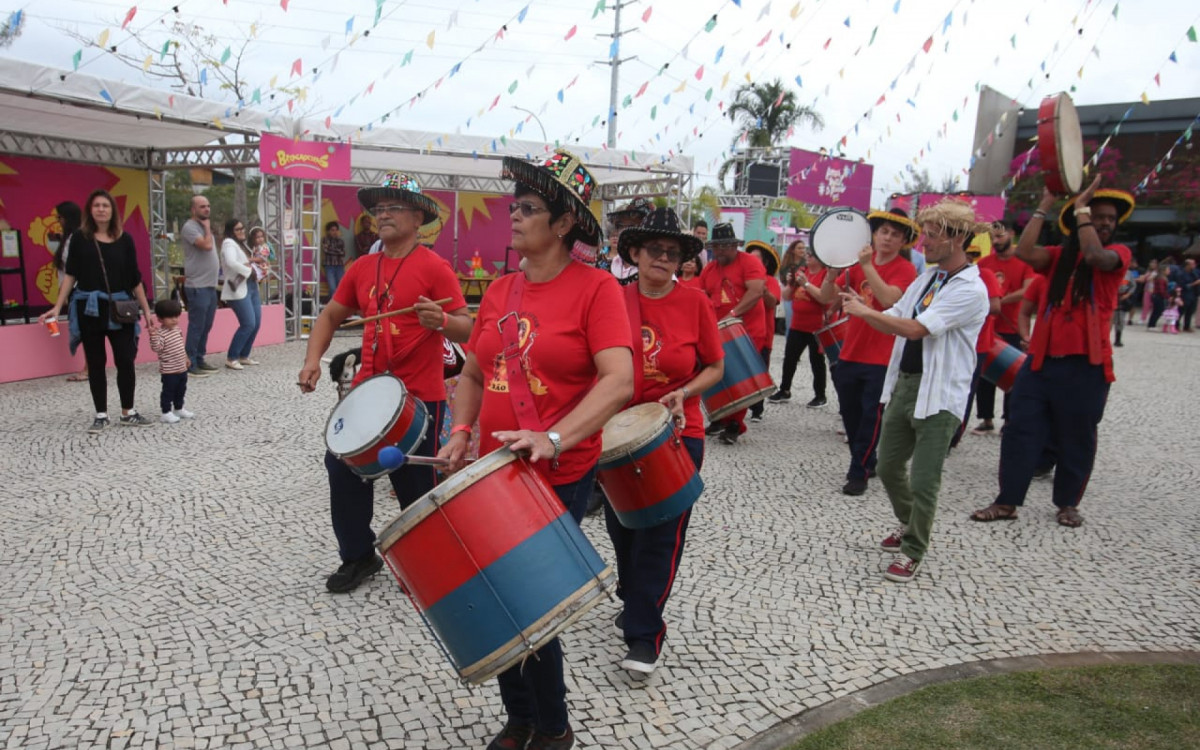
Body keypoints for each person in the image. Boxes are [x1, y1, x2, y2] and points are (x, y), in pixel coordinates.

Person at [438, 149, 633, 750]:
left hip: (560, 471)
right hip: (491, 469)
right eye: (513, 206)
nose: (513, 217)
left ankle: (551, 726)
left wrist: (553, 438)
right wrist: (461, 432)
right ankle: (520, 717)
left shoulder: (597, 289)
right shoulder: (499, 290)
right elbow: (472, 372)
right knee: (499, 599)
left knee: (530, 602)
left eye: (528, 208)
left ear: (564, 222)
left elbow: (619, 380)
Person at [297, 172, 472, 593]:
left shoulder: (435, 267)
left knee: (414, 485)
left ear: (417, 217)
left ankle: (426, 562)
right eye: (380, 209)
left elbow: (467, 328)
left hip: (419, 399)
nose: (384, 215)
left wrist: (443, 321)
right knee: (342, 467)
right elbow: (330, 316)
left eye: (394, 208)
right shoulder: (362, 266)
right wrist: (312, 361)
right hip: (369, 393)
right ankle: (358, 556)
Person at [970, 180, 1134, 529]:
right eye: (1097, 217)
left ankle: (1068, 504)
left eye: (1109, 219)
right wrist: (1045, 204)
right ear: (1075, 224)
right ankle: (1007, 501)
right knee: (1019, 431)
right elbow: (1024, 251)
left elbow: (1093, 256)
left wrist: (1083, 210)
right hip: (1040, 365)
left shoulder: (1117, 255)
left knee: (1077, 436)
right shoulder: (1057, 258)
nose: (1105, 223)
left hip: (1087, 368)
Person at [841, 199, 988, 582]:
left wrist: (866, 314)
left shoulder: (971, 289)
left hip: (940, 393)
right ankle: (911, 522)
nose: (923, 243)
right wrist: (864, 306)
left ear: (956, 239)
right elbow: (895, 316)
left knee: (924, 478)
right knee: (888, 467)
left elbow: (918, 328)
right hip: (906, 385)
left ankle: (914, 549)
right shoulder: (928, 279)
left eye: (933, 236)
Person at [605, 206, 723, 676]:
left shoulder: (696, 303)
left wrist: (684, 393)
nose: (664, 258)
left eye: (673, 252)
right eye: (655, 250)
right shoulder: (611, 298)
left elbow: (714, 366)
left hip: (676, 433)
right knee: (623, 530)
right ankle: (634, 599)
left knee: (660, 535)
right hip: (615, 437)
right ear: (634, 252)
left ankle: (644, 635)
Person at [810, 208, 919, 495]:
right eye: (884, 232)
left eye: (895, 235)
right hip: (850, 351)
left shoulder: (905, 270)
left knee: (872, 416)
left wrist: (868, 266)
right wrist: (832, 275)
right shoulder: (854, 266)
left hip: (882, 357)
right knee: (850, 414)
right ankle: (868, 460)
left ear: (903, 241)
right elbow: (826, 298)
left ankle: (857, 472)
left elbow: (888, 299)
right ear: (874, 233)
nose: (887, 238)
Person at [38, 189, 156, 432]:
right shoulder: (80, 239)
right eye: (97, 205)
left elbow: (135, 278)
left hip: (121, 307)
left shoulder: (125, 239)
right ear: (90, 211)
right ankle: (101, 414)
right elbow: (70, 275)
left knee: (125, 359)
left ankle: (128, 411)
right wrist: (58, 306)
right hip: (89, 308)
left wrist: (147, 312)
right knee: (96, 361)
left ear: (112, 211)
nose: (101, 209)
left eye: (106, 205)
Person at [697, 222, 767, 444]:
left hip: (746, 330)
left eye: (726, 246)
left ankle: (736, 423)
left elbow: (756, 291)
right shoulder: (709, 269)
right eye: (717, 247)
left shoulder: (750, 262)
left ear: (735, 245)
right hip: (718, 331)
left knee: (738, 376)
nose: (721, 251)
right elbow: (700, 295)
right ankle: (720, 416)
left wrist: (734, 313)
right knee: (716, 375)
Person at [971, 218, 1034, 435]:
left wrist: (998, 299)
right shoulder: (984, 263)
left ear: (1011, 235)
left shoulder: (1025, 262)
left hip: (1012, 326)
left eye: (1000, 236)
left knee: (1014, 374)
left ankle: (1009, 420)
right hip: (988, 327)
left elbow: (1028, 290)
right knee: (983, 376)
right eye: (992, 237)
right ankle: (986, 418)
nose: (995, 241)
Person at [949, 249, 1001, 449]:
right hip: (952, 342)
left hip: (976, 345)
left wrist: (965, 308)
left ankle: (954, 434)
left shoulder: (984, 275)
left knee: (965, 390)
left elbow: (995, 306)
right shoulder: (946, 275)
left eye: (969, 256)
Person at [771, 244, 829, 407]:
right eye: (808, 253)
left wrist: (806, 285)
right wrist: (791, 284)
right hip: (797, 323)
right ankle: (785, 390)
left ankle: (820, 395)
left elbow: (824, 298)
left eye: (813, 254)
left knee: (816, 361)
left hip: (816, 326)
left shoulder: (825, 274)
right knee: (790, 358)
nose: (808, 256)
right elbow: (787, 296)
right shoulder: (802, 272)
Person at [180, 196, 219, 378]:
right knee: (197, 325)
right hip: (197, 285)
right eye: (202, 206)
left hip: (209, 285)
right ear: (193, 209)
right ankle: (189, 361)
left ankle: (200, 357)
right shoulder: (190, 227)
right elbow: (206, 246)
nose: (206, 209)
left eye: (208, 206)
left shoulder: (203, 228)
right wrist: (208, 228)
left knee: (207, 324)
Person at [50, 201, 88, 383]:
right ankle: (90, 367)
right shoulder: (69, 237)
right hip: (72, 290)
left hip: (79, 290)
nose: (59, 221)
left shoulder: (77, 238)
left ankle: (89, 368)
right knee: (83, 329)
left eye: (60, 217)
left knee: (87, 330)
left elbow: (73, 270)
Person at [219, 219, 263, 370]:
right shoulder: (229, 243)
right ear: (231, 231)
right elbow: (231, 262)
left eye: (243, 228)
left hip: (251, 286)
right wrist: (248, 270)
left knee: (256, 323)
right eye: (238, 229)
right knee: (248, 323)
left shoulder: (241, 244)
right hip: (239, 287)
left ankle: (244, 355)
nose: (242, 231)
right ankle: (232, 357)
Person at [745, 240, 781, 423]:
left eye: (755, 258)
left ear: (764, 262)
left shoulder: (771, 281)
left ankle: (757, 408)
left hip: (763, 335)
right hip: (743, 333)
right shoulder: (744, 278)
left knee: (759, 372)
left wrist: (764, 291)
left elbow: (772, 303)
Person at [148, 298, 194, 423]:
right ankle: (166, 412)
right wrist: (153, 336)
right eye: (170, 317)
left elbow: (180, 345)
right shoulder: (161, 334)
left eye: (176, 316)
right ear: (160, 319)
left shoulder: (177, 330)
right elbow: (156, 348)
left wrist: (185, 357)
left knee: (181, 389)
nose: (174, 320)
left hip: (181, 368)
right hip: (169, 371)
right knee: (168, 391)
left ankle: (179, 408)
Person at [604, 197, 654, 285]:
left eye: (632, 225)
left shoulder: (656, 268)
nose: (625, 230)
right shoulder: (610, 263)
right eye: (620, 225)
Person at [778, 239, 807, 331]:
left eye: (803, 248)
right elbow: (782, 280)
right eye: (799, 248)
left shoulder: (807, 264)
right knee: (790, 323)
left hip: (803, 295)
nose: (802, 250)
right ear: (793, 250)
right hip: (790, 295)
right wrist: (787, 280)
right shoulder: (786, 265)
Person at [1172, 258, 1199, 332]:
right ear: (1187, 265)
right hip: (1185, 294)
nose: (1194, 265)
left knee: (1190, 311)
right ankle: (1176, 325)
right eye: (1192, 264)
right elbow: (1182, 286)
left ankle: (1187, 326)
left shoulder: (1195, 273)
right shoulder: (1181, 274)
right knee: (1181, 311)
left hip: (1194, 294)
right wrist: (1194, 283)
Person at [321, 220, 347, 296]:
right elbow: (326, 250)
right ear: (328, 231)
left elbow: (343, 253)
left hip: (339, 266)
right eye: (332, 230)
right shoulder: (325, 239)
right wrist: (337, 251)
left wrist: (331, 249)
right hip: (329, 266)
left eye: (336, 230)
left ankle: (338, 305)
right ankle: (332, 305)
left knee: (341, 286)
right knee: (332, 287)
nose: (334, 232)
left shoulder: (340, 241)